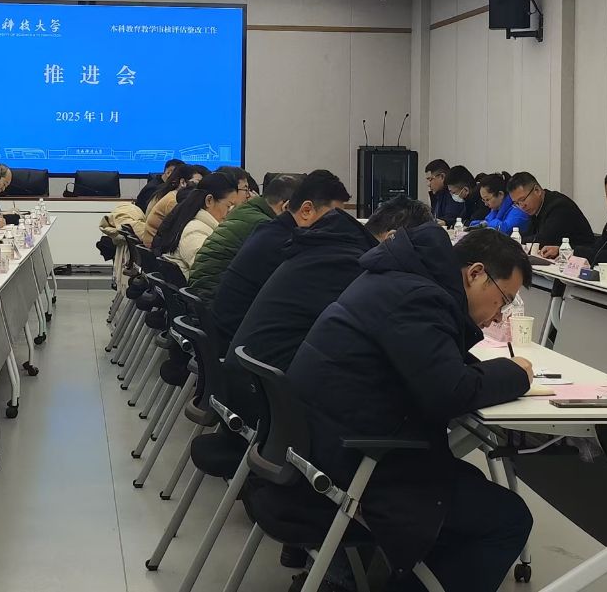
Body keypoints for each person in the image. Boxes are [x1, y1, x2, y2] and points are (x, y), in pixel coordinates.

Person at [288, 226, 535, 590]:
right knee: (509, 518)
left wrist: (484, 372)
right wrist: (516, 374)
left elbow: (433, 365)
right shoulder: (419, 298)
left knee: (471, 482)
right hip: (355, 466)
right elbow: (449, 392)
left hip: (325, 446)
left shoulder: (397, 279)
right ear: (475, 273)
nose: (499, 316)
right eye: (503, 299)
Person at [234, 197, 434, 373]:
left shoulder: (331, 247)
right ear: (392, 238)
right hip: (270, 387)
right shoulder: (354, 265)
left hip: (253, 377)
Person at [210, 170, 350, 342]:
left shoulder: (270, 231)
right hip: (240, 344)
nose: (335, 227)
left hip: (229, 336)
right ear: (306, 210)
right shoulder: (287, 245)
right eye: (332, 218)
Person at [188, 173, 294, 300]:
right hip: (212, 297)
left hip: (203, 292)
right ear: (286, 206)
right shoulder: (266, 226)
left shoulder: (246, 211)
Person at [154, 172, 244, 272]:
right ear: (209, 200)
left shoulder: (194, 222)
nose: (230, 212)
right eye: (228, 206)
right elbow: (209, 271)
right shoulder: (195, 231)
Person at [506, 171, 595, 257]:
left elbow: (543, 240)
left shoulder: (559, 206)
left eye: (522, 199)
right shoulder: (535, 208)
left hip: (584, 260)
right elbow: (530, 235)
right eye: (517, 203)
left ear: (537, 190)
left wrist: (511, 242)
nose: (522, 206)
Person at [144, 163, 209, 243]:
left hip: (159, 243)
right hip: (154, 246)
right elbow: (185, 226)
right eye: (197, 183)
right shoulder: (173, 200)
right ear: (183, 182)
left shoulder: (173, 194)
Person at [425, 159, 457, 224]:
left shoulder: (454, 194)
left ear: (442, 177)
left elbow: (450, 219)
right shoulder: (437, 195)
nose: (428, 184)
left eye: (430, 179)